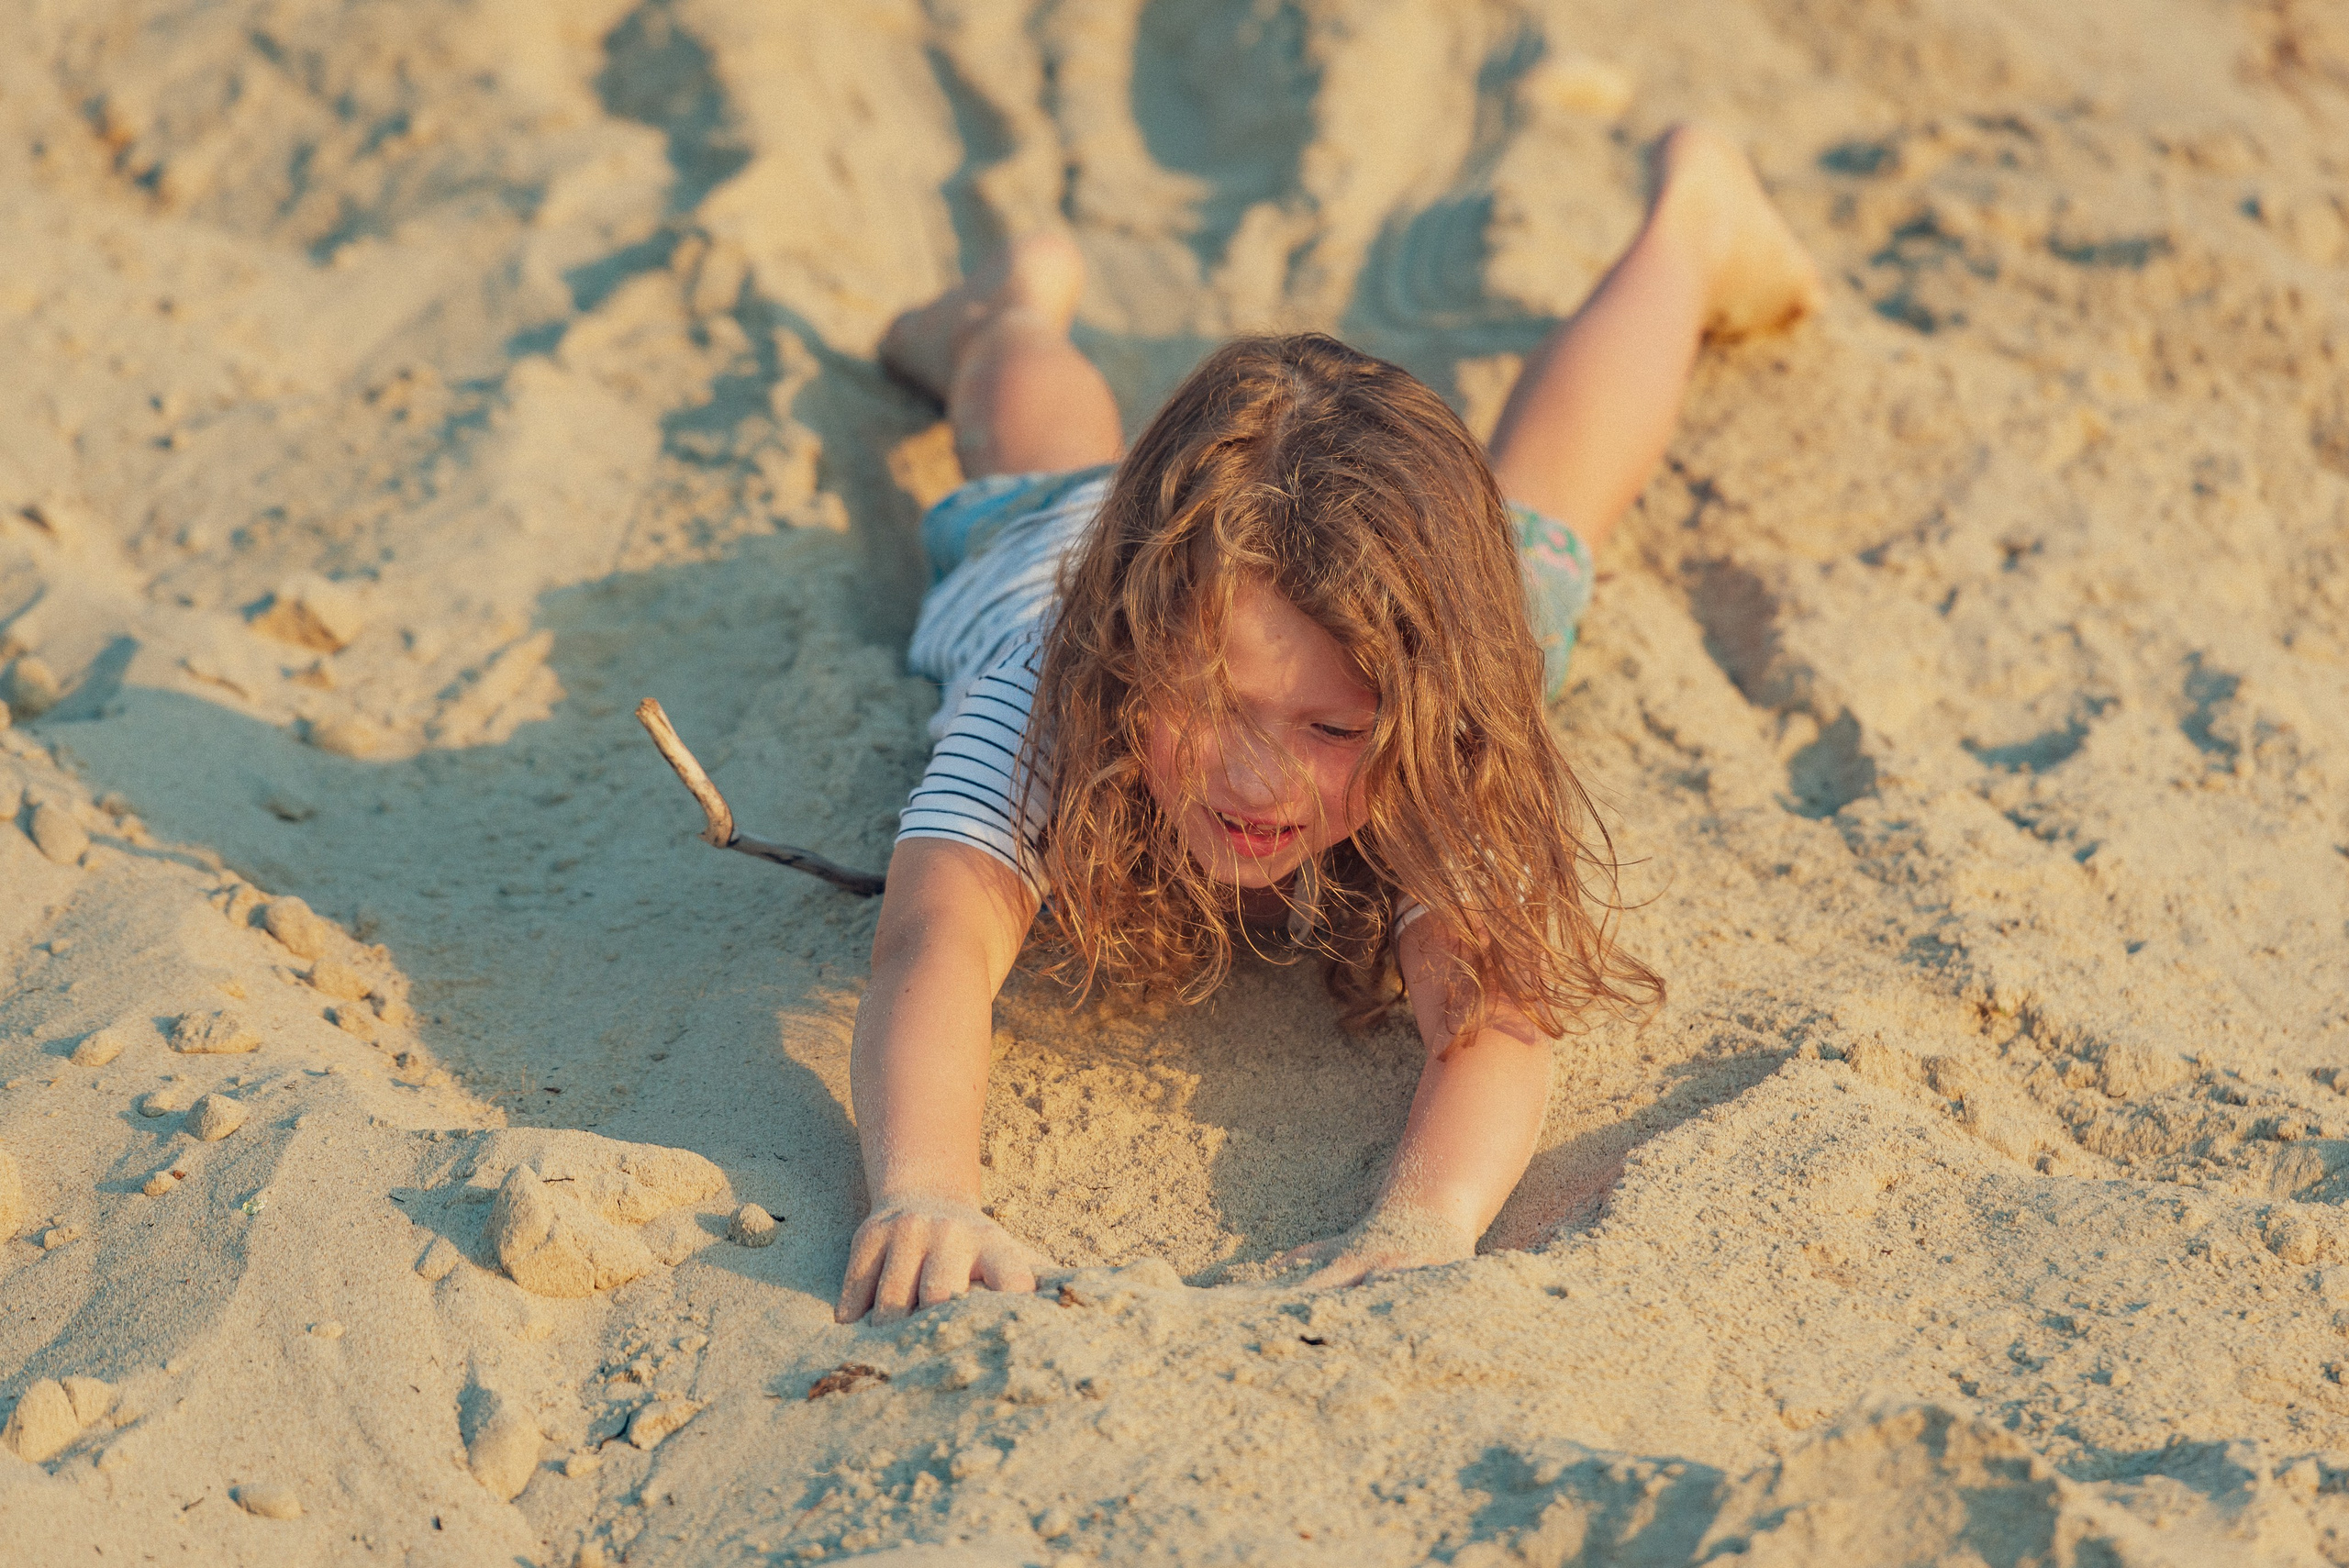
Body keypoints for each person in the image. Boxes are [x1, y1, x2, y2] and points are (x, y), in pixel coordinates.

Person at [835, 124, 1821, 1324]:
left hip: (1434, 625)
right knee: (1044, 457)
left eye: (1331, 729)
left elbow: (1493, 1012)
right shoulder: (1051, 684)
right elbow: (934, 940)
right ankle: (1005, 315)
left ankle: (1692, 224)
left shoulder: (1435, 721)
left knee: (1552, 515)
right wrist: (925, 1188)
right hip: (1061, 548)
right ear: (1135, 646)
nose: (1259, 777)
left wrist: (1428, 1217)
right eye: (1208, 701)